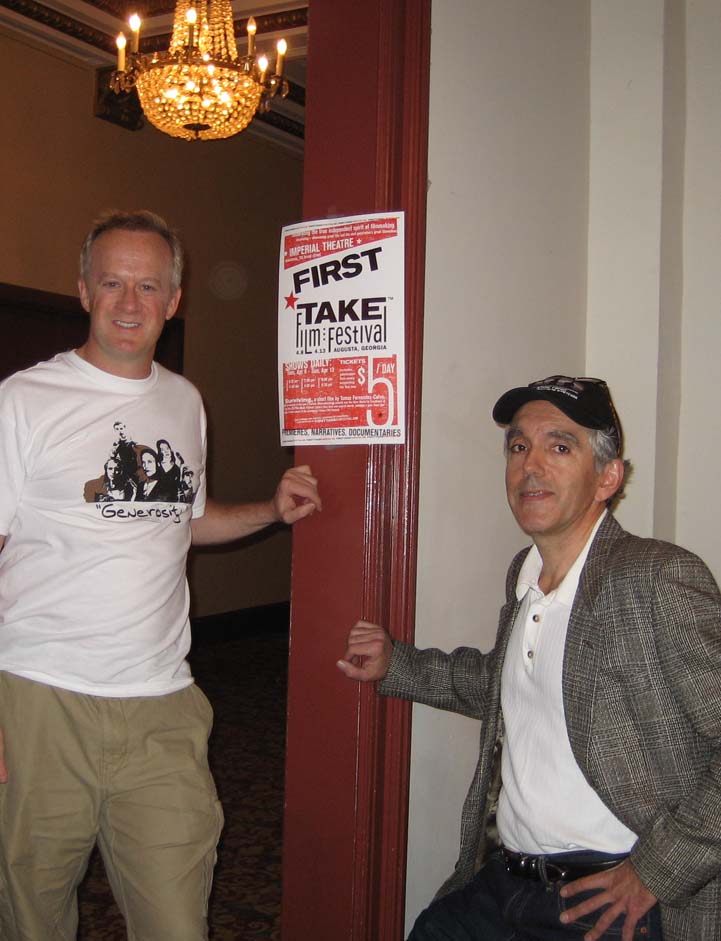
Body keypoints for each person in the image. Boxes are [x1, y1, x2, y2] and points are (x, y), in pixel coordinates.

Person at [0, 209, 322, 940]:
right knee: (31, 914)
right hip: (40, 699)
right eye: (112, 281)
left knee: (178, 921)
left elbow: (181, 516)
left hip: (162, 704)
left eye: (148, 285)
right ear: (82, 288)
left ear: (174, 299)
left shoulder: (184, 401)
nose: (129, 302)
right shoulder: (23, 401)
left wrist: (269, 508)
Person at [338, 375, 721, 941]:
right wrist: (398, 664)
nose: (530, 465)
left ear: (608, 478)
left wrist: (656, 872)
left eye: (559, 446)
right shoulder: (526, 574)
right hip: (508, 882)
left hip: (613, 898)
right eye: (519, 446)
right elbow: (503, 680)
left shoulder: (657, 578)